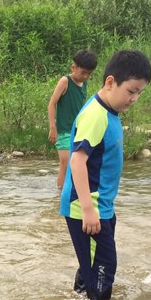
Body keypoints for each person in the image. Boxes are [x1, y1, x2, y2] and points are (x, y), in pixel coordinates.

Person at [59, 50, 151, 300]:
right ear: (110, 82)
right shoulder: (95, 115)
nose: (134, 99)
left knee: (91, 267)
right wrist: (89, 210)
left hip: (102, 207)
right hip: (87, 208)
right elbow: (77, 160)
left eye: (139, 93)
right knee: (103, 269)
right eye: (131, 91)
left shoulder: (108, 111)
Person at [47, 49, 97, 192]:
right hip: (63, 131)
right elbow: (52, 103)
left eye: (89, 73)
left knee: (79, 164)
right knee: (65, 163)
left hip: (78, 131)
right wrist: (53, 127)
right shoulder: (65, 81)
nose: (86, 76)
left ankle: (74, 191)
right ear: (73, 67)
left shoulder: (84, 83)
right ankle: (60, 195)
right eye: (83, 73)